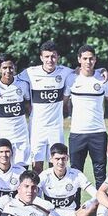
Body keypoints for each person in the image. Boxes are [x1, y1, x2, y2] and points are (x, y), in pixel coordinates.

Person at [63, 45, 108, 189]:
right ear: (79, 59)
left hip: (98, 133)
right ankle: (74, 208)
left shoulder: (102, 78)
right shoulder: (71, 78)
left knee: (100, 173)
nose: (88, 61)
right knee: (75, 172)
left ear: (95, 60)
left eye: (91, 58)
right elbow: (63, 101)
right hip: (77, 133)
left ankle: (102, 208)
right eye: (85, 58)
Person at [17, 41, 74, 173]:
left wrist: (102, 70)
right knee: (37, 166)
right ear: (41, 57)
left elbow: (83, 71)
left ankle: (52, 194)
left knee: (56, 164)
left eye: (53, 56)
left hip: (56, 128)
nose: (50, 60)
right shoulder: (30, 72)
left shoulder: (64, 71)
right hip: (37, 128)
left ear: (58, 57)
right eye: (47, 57)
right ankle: (36, 194)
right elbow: (10, 79)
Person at [38, 143, 99, 216]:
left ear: (68, 158)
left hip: (72, 214)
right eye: (57, 159)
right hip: (51, 214)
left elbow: (95, 193)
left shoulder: (76, 174)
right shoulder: (44, 175)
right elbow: (34, 197)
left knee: (96, 202)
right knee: (33, 204)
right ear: (51, 159)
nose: (60, 162)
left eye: (63, 158)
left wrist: (89, 203)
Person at [0, 53, 31, 167]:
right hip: (2, 135)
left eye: (11, 67)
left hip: (21, 136)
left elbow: (30, 106)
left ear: (15, 68)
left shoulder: (22, 85)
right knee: (2, 170)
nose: (8, 70)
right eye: (4, 67)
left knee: (22, 170)